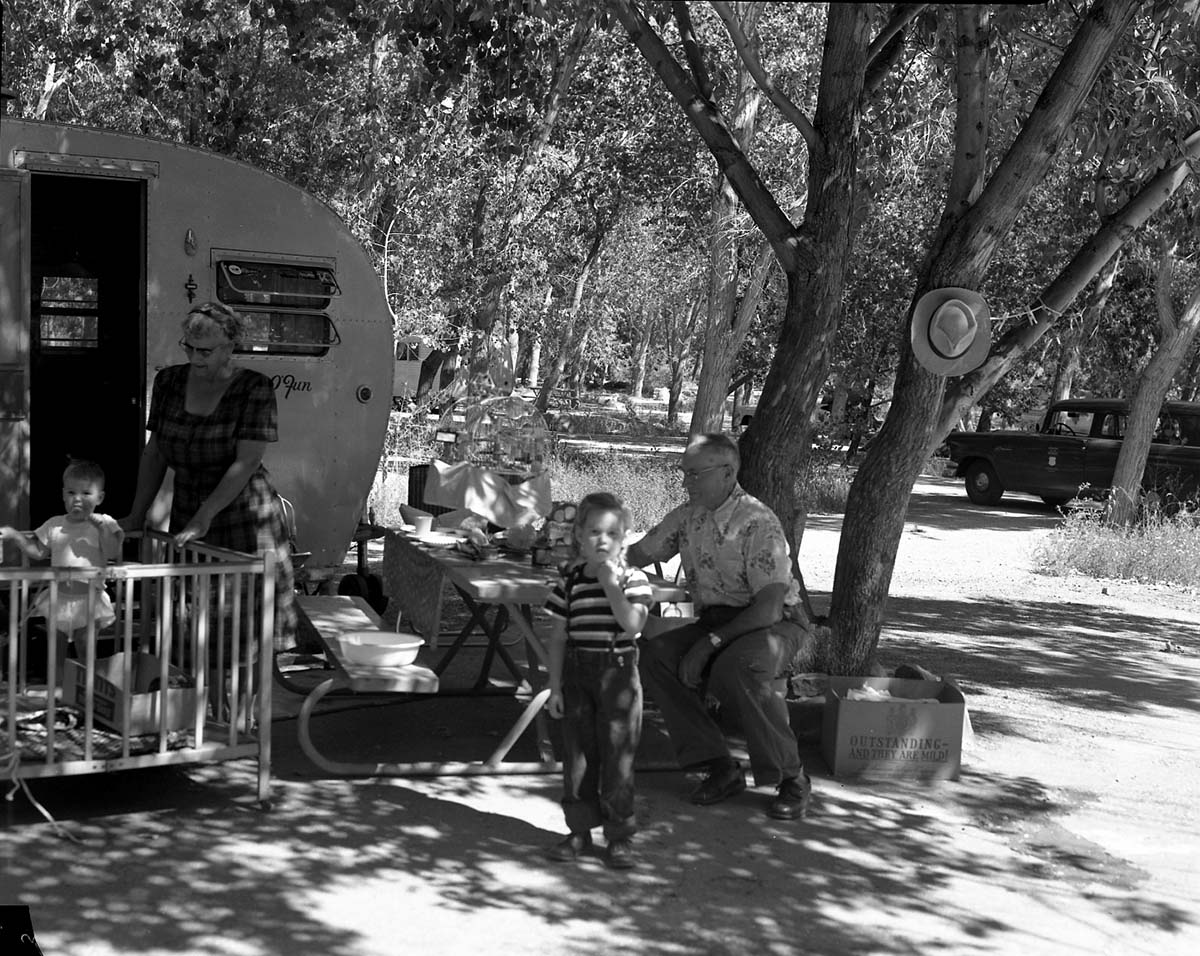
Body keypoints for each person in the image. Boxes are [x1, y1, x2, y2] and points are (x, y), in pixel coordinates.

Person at [625, 433, 812, 821]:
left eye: (695, 474)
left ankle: (791, 778)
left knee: (740, 667)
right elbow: (640, 553)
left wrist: (708, 644)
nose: (686, 483)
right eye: (684, 475)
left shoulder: (757, 522)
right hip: (718, 620)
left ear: (728, 473)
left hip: (773, 622)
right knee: (656, 656)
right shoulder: (688, 516)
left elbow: (769, 607)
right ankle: (718, 765)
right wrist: (586, 551)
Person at [119, 301, 296, 651]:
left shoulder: (254, 389)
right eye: (189, 348)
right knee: (194, 627)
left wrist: (205, 517)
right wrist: (137, 513)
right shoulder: (169, 381)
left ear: (230, 346)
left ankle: (245, 704)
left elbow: (246, 461)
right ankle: (204, 702)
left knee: (246, 637)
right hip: (190, 509)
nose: (196, 358)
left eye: (206, 351)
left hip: (245, 516)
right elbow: (156, 452)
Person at [543, 492, 653, 870]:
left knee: (617, 759)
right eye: (594, 532)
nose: (602, 541)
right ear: (578, 535)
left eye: (611, 534)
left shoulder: (632, 579)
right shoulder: (570, 581)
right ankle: (578, 829)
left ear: (624, 538)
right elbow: (558, 636)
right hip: (577, 676)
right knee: (577, 757)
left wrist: (611, 586)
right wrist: (554, 686)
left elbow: (634, 624)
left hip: (617, 675)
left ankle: (619, 836)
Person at [1, 459, 124, 680]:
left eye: (86, 493)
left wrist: (103, 530)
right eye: (71, 492)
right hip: (59, 598)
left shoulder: (105, 522)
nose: (78, 499)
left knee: (86, 652)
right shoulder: (55, 524)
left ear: (100, 498)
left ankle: (87, 693)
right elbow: (38, 552)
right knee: (54, 653)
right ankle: (56, 691)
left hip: (88, 598)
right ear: (63, 495)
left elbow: (113, 552)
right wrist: (13, 535)